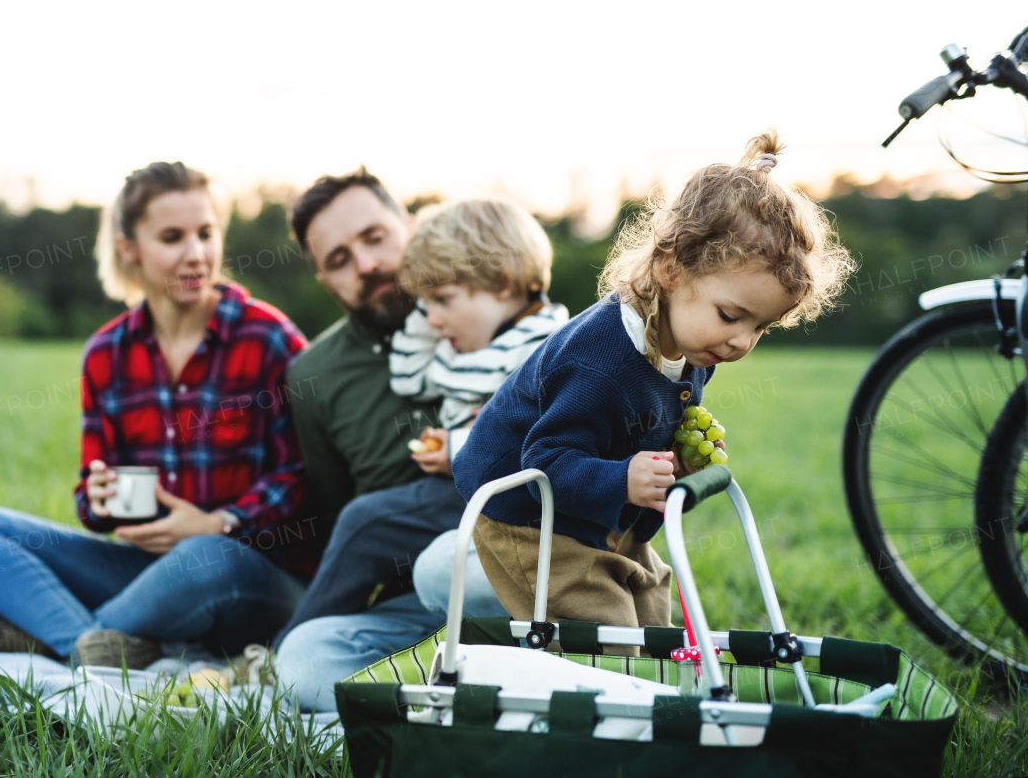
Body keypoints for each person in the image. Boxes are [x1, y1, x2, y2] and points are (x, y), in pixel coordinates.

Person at [454, 130, 854, 652]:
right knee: (603, 628)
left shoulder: (694, 347)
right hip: (526, 513)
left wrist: (672, 473)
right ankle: (597, 709)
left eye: (761, 327)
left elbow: (644, 449)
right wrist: (624, 477)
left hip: (595, 502)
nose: (741, 342)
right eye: (731, 316)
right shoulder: (599, 362)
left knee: (652, 607)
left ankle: (655, 692)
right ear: (670, 269)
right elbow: (545, 462)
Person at [0, 161, 317, 669]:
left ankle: (58, 636)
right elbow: (92, 505)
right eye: (172, 237)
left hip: (249, 575)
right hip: (146, 573)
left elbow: (305, 478)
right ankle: (89, 646)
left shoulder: (270, 338)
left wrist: (220, 522)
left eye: (206, 233)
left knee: (202, 554)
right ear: (129, 248)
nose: (196, 254)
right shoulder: (106, 355)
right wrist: (97, 498)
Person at [270, 169, 480, 711]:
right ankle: (431, 701)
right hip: (414, 607)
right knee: (304, 659)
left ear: (410, 226)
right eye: (339, 259)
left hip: (513, 569)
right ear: (323, 279)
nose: (366, 264)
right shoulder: (312, 376)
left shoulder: (488, 309)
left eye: (375, 238)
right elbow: (339, 512)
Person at [387, 197, 569, 615]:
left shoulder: (541, 344)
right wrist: (426, 284)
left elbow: (535, 434)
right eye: (424, 302)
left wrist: (458, 447)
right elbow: (408, 376)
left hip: (523, 511)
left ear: (503, 283)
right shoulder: (464, 347)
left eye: (443, 299)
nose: (431, 318)